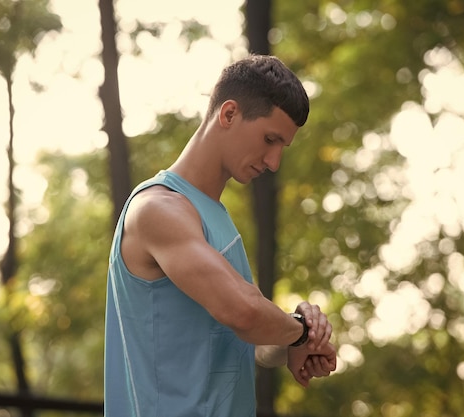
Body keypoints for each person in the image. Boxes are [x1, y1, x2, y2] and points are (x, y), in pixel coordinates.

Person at [104, 54, 337, 417]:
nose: (274, 161)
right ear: (228, 114)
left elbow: (255, 345)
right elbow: (243, 312)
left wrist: (294, 340)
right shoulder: (159, 210)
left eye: (282, 148)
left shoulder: (215, 220)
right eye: (270, 139)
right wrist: (301, 330)